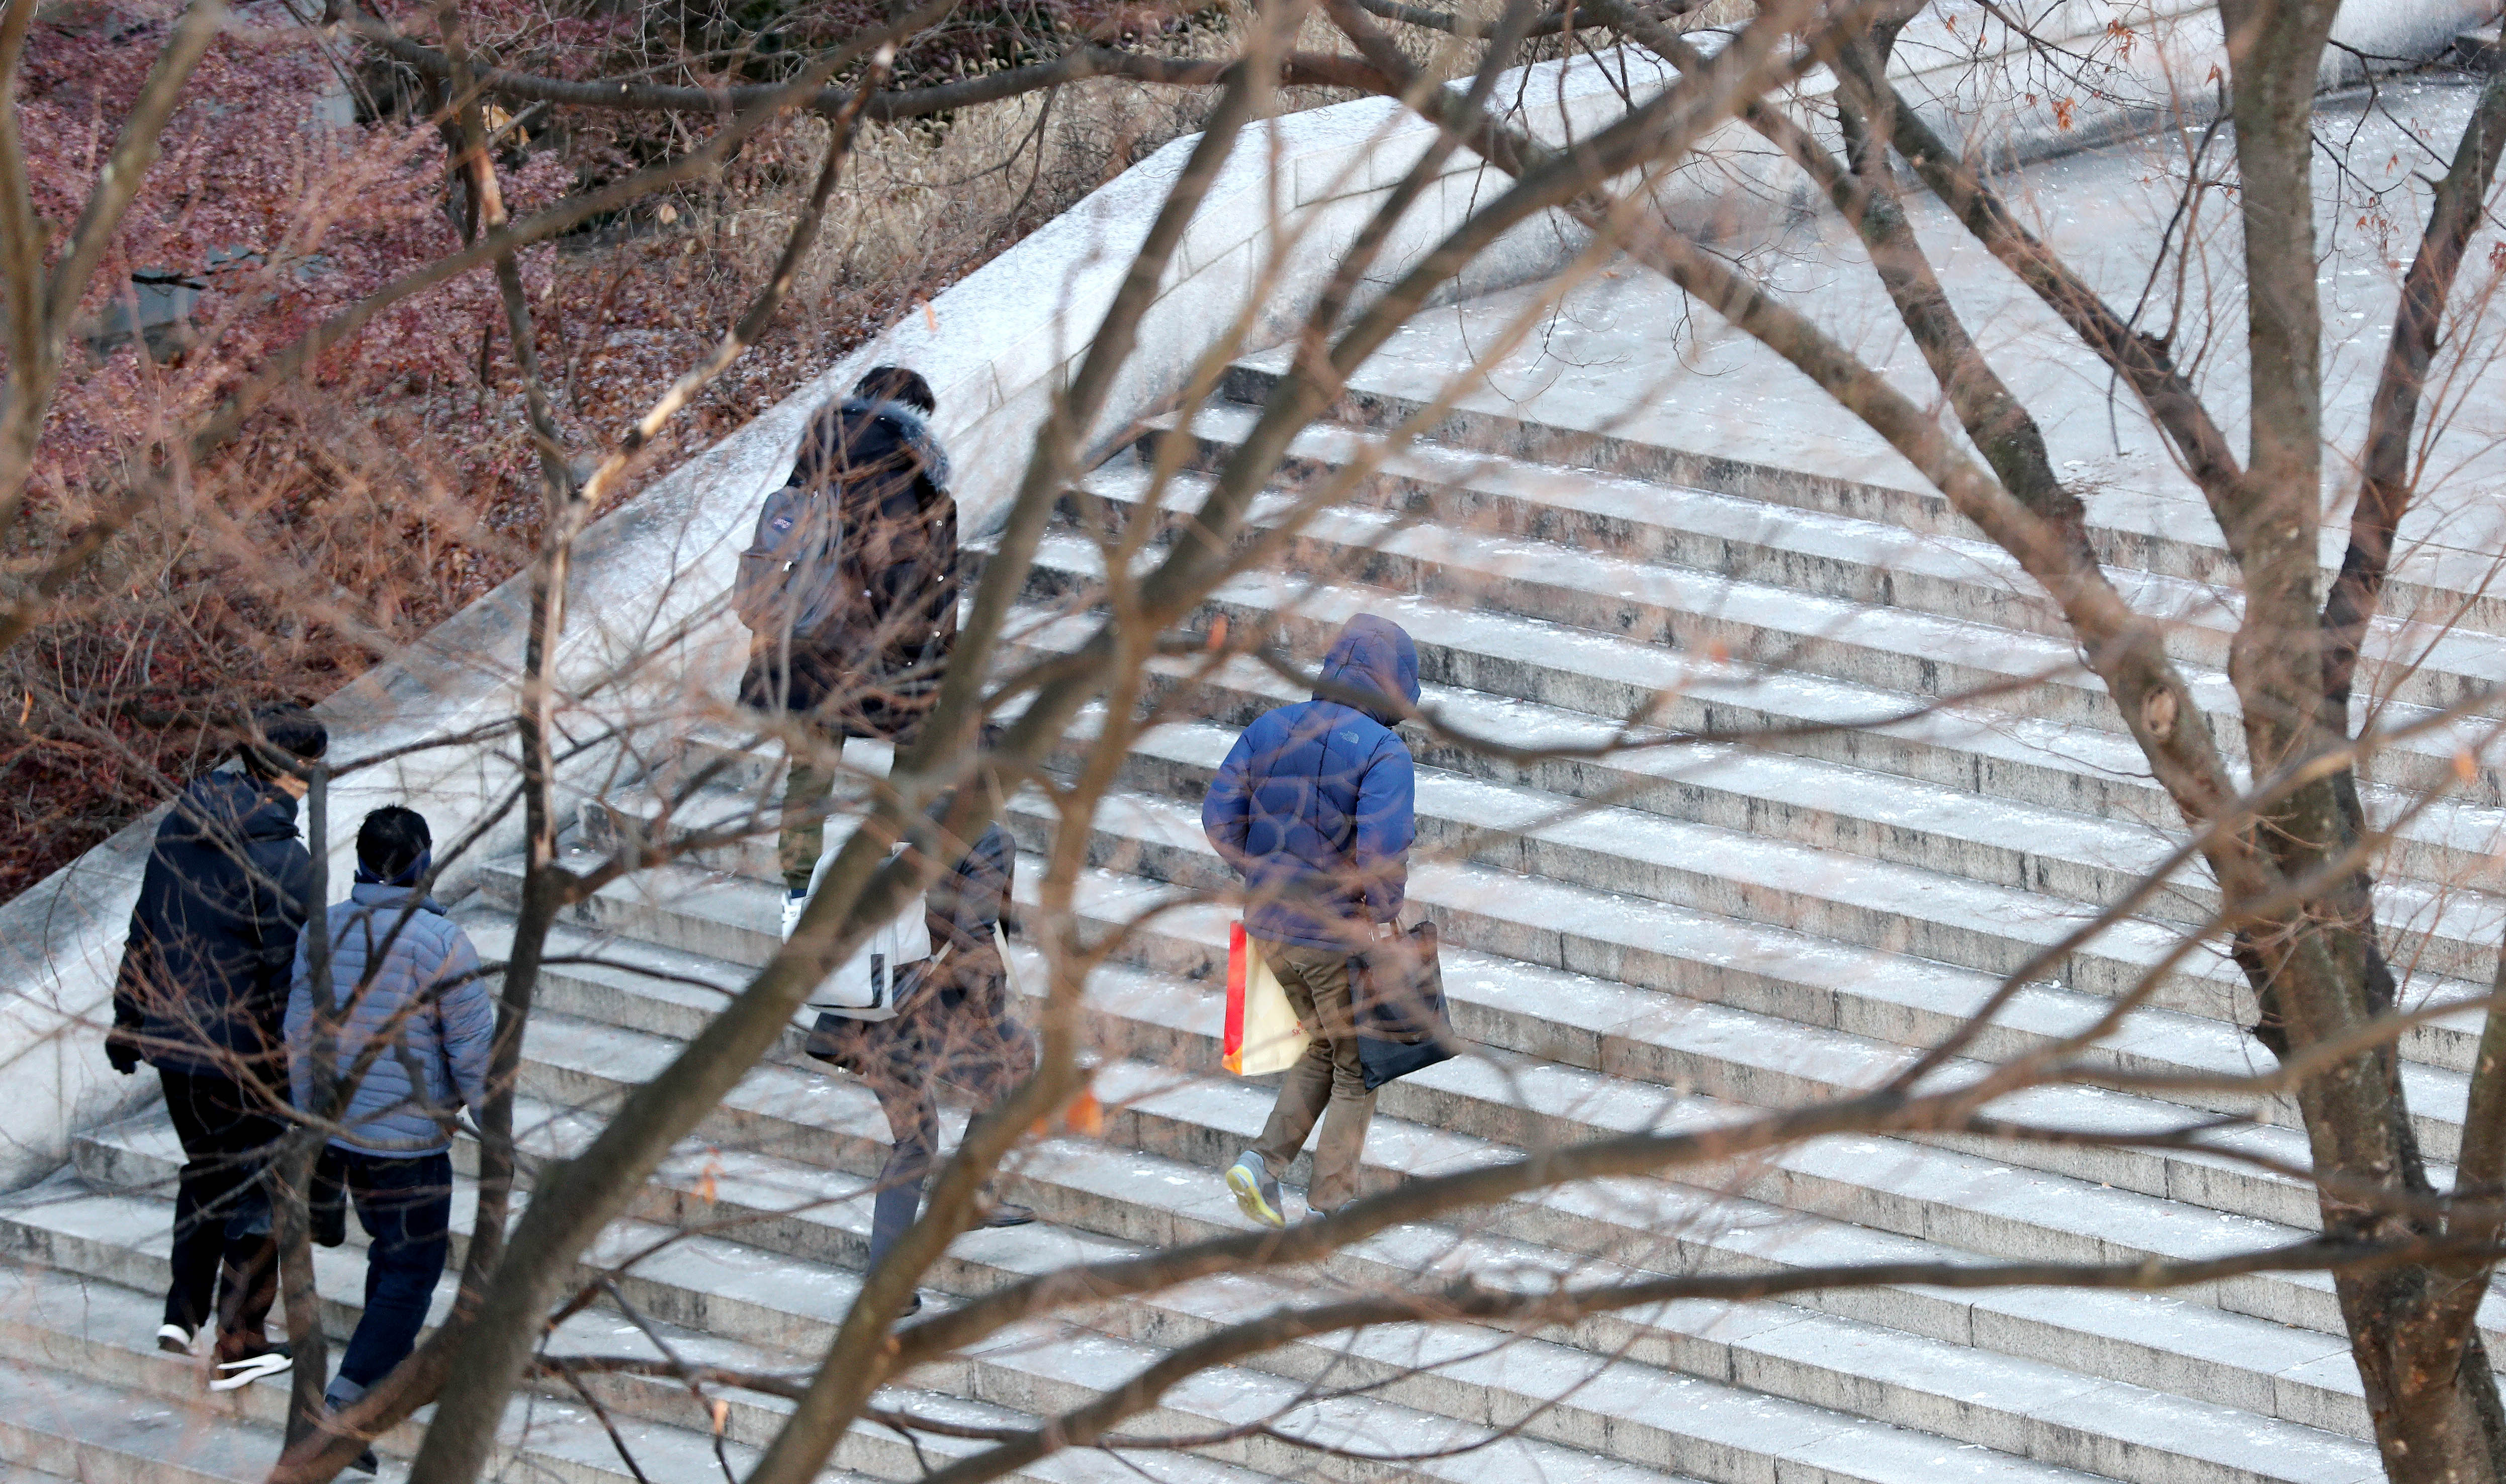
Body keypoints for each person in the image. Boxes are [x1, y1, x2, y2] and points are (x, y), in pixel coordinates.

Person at [107, 703, 327, 1387]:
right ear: (299, 771)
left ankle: (181, 1314)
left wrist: (128, 1017)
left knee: (207, 1174)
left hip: (174, 1042)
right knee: (260, 1188)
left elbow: (146, 924)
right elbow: (289, 976)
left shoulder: (183, 821)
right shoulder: (283, 861)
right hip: (242, 1054)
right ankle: (241, 1341)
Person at [285, 805, 492, 1469]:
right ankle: (345, 1411)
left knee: (388, 1256)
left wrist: (308, 1115)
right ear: (424, 863)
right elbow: (473, 1055)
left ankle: (364, 1413)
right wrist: (499, 1126)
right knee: (411, 1271)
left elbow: (298, 1035)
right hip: (409, 1144)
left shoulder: (321, 929)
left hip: (342, 1135)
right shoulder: (442, 943)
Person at [1200, 615, 1420, 1228]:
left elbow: (1218, 817)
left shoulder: (1269, 728)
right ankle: (1331, 1206)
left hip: (1270, 929)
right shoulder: (1383, 753)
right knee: (1359, 1065)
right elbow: (1381, 856)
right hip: (1335, 935)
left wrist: (1264, 871)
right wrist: (1381, 919)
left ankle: (1260, 1165)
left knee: (1323, 1045)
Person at [734, 364, 958, 941]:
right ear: (915, 425)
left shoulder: (810, 470)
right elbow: (933, 594)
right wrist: (933, 669)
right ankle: (903, 889)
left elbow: (773, 564)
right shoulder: (925, 492)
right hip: (878, 656)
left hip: (800, 652)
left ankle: (797, 899)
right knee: (912, 760)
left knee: (808, 773)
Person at [804, 780, 1037, 1317]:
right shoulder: (988, 838)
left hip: (857, 1011)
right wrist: (989, 1014)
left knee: (996, 1073)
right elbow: (977, 934)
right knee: (993, 1078)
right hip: (912, 1012)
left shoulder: (894, 820)